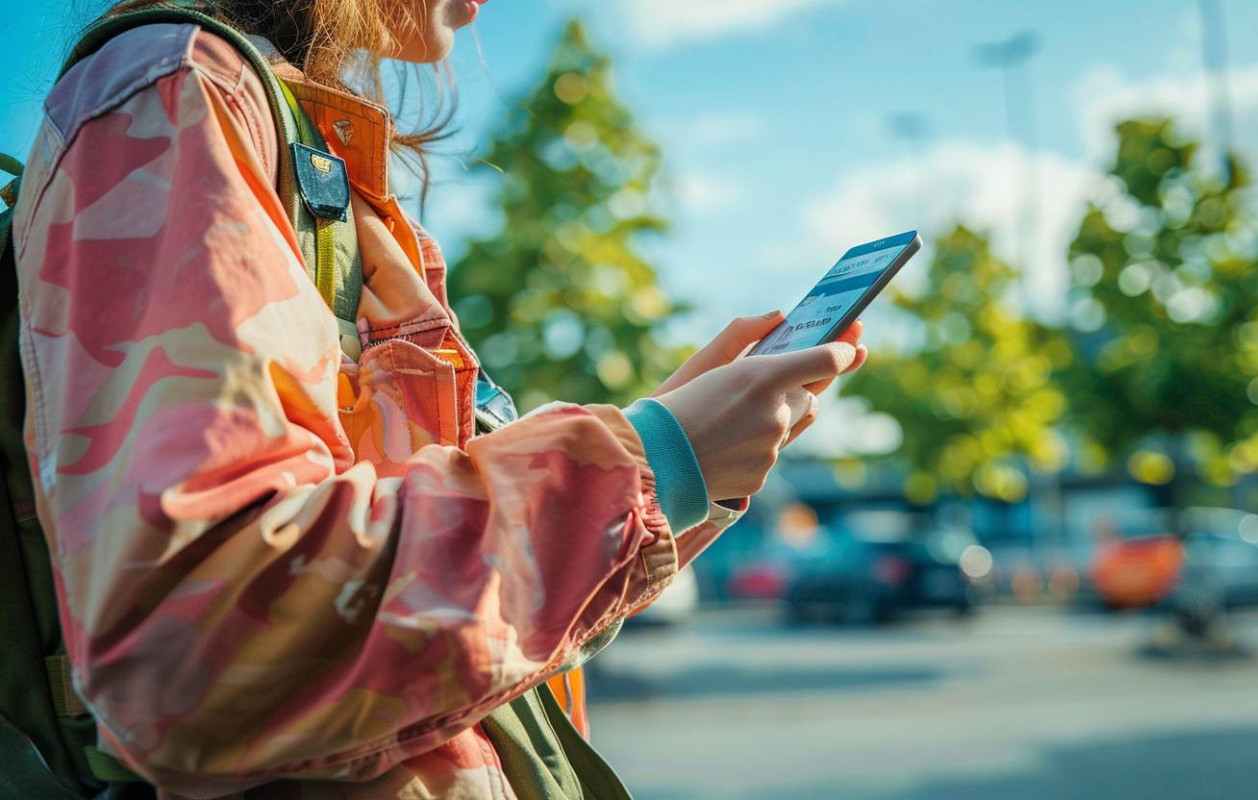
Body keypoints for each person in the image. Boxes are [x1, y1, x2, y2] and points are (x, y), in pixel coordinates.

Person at [10, 0, 867, 797]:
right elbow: (191, 652)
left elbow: (428, 633)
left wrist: (669, 477)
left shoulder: (283, 134)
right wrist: (645, 460)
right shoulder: (178, 89)